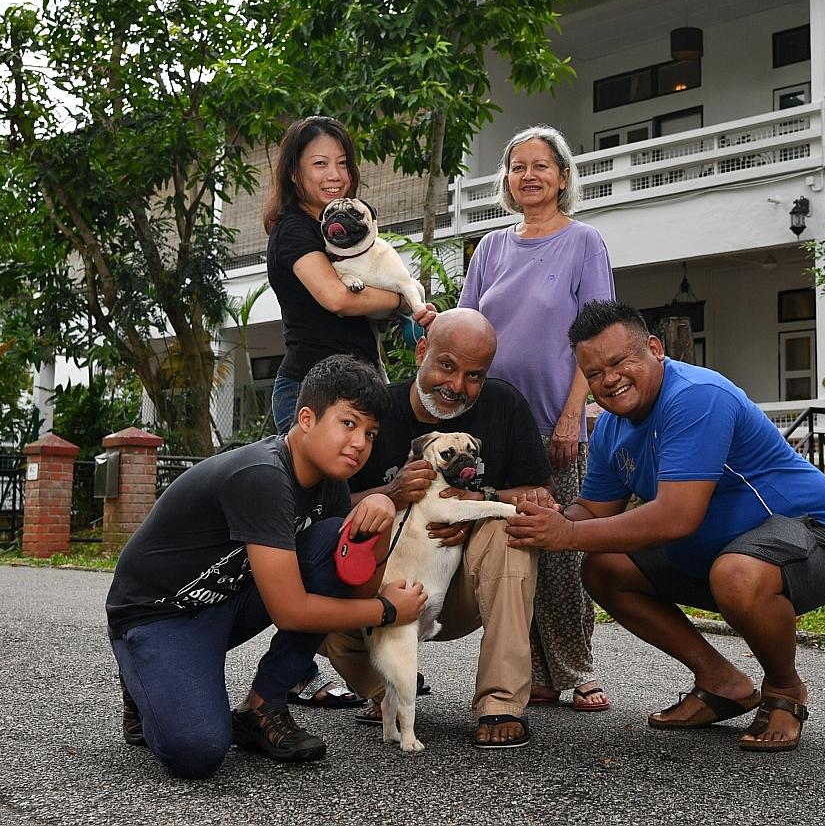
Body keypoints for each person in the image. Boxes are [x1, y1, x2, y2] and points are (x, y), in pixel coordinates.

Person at [506, 300, 825, 753]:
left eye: (620, 362)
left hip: (816, 532)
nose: (609, 380)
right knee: (604, 568)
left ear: (654, 348)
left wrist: (569, 535)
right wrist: (543, 518)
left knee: (737, 574)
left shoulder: (696, 395)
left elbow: (677, 516)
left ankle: (785, 691)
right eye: (594, 374)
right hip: (721, 551)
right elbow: (593, 513)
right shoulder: (613, 427)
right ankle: (721, 683)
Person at [104, 355, 427, 778]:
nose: (360, 443)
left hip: (227, 596)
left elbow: (350, 588)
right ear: (307, 418)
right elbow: (293, 611)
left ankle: (262, 705)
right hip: (158, 614)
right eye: (348, 424)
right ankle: (142, 680)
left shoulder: (330, 484)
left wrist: (381, 512)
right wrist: (388, 610)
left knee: (336, 541)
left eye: (370, 433)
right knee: (197, 752)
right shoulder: (262, 475)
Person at [261, 114, 437, 708]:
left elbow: (365, 293)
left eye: (341, 163)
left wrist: (397, 303)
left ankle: (367, 658)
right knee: (308, 528)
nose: (334, 175)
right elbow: (338, 298)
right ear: (293, 173)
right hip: (310, 396)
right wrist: (406, 301)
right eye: (319, 164)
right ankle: (297, 670)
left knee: (350, 524)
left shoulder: (345, 231)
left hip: (358, 393)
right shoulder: (294, 232)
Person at [321, 308, 555, 750]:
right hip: (386, 587)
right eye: (447, 366)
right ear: (422, 350)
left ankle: (500, 703)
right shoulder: (375, 412)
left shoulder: (504, 405)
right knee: (328, 568)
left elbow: (537, 493)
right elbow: (327, 509)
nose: (457, 387)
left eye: (475, 375)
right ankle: (384, 689)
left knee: (509, 530)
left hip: (464, 585)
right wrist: (389, 492)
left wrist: (476, 507)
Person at [458, 124, 615, 712]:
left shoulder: (584, 242)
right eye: (518, 166)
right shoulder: (491, 249)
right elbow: (467, 326)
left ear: (563, 176)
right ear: (506, 180)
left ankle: (577, 668)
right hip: (493, 424)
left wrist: (575, 412)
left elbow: (595, 337)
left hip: (556, 418)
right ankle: (535, 673)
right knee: (513, 546)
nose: (529, 175)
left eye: (541, 166)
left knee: (563, 546)